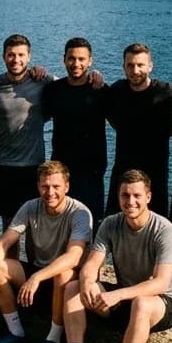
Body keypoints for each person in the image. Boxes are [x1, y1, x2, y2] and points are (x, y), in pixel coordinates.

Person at [43, 170, 172, 343]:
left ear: (148, 197)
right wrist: (88, 281)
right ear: (118, 197)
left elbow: (160, 282)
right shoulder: (110, 224)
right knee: (74, 287)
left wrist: (117, 294)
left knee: (141, 303)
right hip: (125, 297)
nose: (131, 202)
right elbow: (91, 264)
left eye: (137, 195)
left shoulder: (164, 230)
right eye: (125, 195)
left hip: (162, 302)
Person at [0, 161, 92, 343]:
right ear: (38, 186)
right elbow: (5, 241)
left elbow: (74, 257)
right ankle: (16, 333)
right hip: (37, 270)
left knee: (63, 272)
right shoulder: (31, 207)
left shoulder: (80, 213)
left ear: (66, 186)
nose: (50, 192)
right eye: (45, 186)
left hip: (64, 282)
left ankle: (53, 340)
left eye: (56, 187)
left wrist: (37, 277)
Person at [103, 43, 172, 216]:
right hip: (122, 173)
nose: (135, 70)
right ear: (124, 67)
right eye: (130, 65)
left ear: (150, 66)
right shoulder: (116, 91)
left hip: (155, 176)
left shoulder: (167, 94)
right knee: (114, 226)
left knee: (155, 229)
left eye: (140, 65)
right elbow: (112, 118)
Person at [0, 34, 48, 228]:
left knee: (34, 225)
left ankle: (31, 260)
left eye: (21, 55)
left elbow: (71, 85)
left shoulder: (44, 82)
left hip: (33, 165)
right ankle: (9, 259)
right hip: (2, 164)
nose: (16, 60)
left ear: (29, 57)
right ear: (4, 56)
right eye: (11, 55)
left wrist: (94, 76)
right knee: (8, 225)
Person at [43, 37, 107, 221]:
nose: (76, 64)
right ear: (64, 59)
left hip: (91, 172)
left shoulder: (101, 91)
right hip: (61, 169)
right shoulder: (53, 90)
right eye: (71, 58)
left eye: (81, 59)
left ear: (90, 61)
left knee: (91, 225)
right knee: (59, 222)